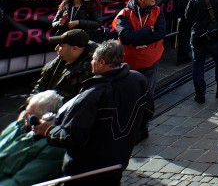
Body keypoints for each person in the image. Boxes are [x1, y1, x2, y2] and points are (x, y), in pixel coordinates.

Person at [39, 41, 155, 186]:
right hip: (117, 162)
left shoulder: (92, 96)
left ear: (101, 62)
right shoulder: (138, 80)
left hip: (85, 170)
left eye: (93, 59)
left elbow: (72, 137)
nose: (91, 62)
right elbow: (148, 112)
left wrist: (48, 130)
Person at [0, 90, 66, 186]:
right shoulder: (17, 126)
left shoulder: (52, 148)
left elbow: (20, 181)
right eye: (26, 111)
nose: (25, 116)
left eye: (31, 115)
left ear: (46, 120)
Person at [115, 0, 167, 92]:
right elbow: (125, 38)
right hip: (130, 60)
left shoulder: (157, 11)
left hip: (150, 59)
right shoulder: (125, 14)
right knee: (130, 91)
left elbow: (160, 33)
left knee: (147, 91)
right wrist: (148, 30)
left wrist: (137, 41)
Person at [32, 29, 95, 101]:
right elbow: (41, 84)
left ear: (74, 49)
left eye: (61, 46)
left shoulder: (91, 70)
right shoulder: (60, 59)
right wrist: (32, 102)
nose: (56, 48)